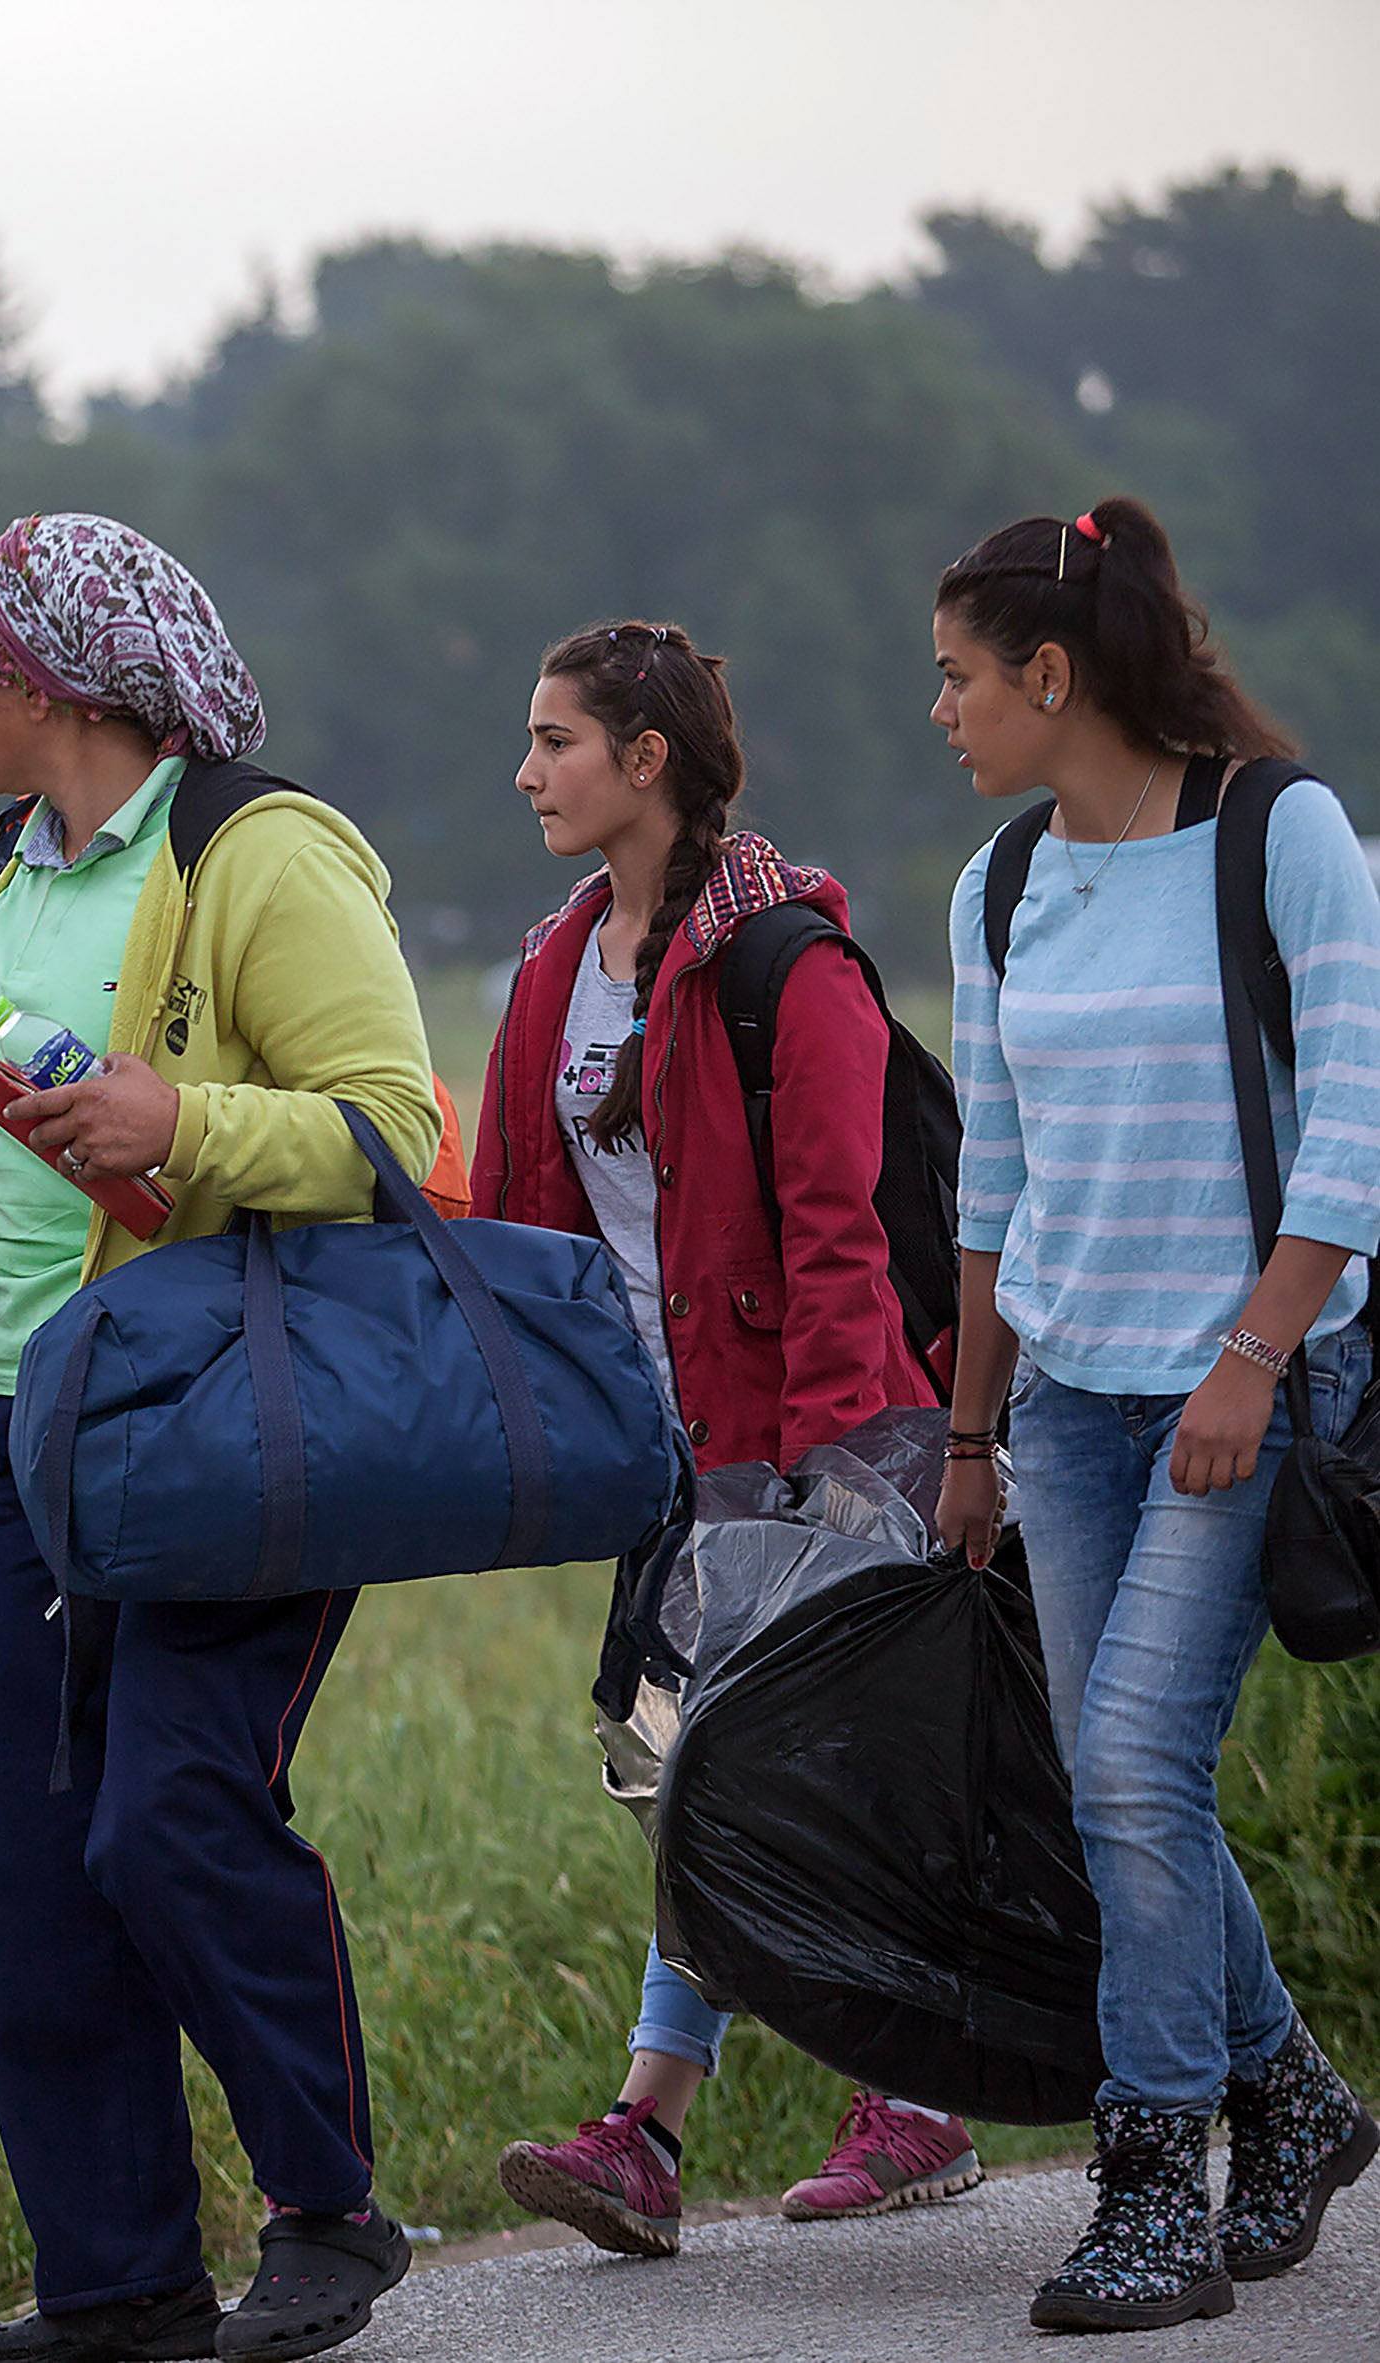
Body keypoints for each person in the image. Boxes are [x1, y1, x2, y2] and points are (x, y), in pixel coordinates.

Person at [0, 513, 442, 2363]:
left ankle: (328, 2207)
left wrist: (183, 1120)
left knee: (167, 1817)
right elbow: (17, 1148)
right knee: (21, 1863)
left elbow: (400, 1137)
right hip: (2, 1434)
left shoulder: (260, 852)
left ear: (48, 685)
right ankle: (118, 2285)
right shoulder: (10, 867)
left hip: (221, 1430)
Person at [930, 497, 1380, 2334]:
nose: (939, 713)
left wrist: (1250, 1356)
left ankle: (1151, 2192)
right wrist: (967, 1437)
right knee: (1120, 1783)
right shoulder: (1002, 885)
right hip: (1067, 1400)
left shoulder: (1276, 833)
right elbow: (989, 1180)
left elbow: (1352, 1119)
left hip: (1232, 1391)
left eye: (959, 679)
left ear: (1053, 673)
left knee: (1128, 1769)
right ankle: (1294, 2100)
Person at [469, 622, 969, 2256]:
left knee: (772, 1772)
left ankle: (783, 2111)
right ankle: (701, 2124)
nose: (526, 771)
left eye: (554, 741)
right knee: (685, 1778)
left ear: (645, 756)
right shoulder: (553, 972)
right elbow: (518, 1219)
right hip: (660, 1460)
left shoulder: (780, 960)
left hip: (813, 1445)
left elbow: (832, 1234)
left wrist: (836, 1484)